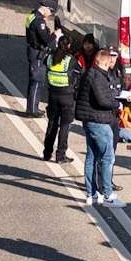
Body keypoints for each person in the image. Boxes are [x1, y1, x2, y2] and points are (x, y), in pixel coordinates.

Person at [78, 48, 125, 207]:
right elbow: (103, 100)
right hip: (99, 121)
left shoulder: (89, 74)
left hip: (89, 120)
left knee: (91, 157)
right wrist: (117, 104)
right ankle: (108, 195)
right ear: (105, 62)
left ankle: (91, 194)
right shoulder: (98, 77)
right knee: (108, 157)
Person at [42, 32, 81, 164]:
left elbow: (44, 62)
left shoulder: (50, 57)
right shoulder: (70, 60)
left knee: (52, 124)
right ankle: (60, 155)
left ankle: (47, 153)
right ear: (68, 45)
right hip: (67, 97)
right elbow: (80, 71)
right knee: (64, 126)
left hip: (53, 95)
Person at [22, 5, 57, 118]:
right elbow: (45, 38)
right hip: (37, 53)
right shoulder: (39, 21)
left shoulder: (32, 16)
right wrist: (54, 35)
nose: (50, 14)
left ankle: (31, 108)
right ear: (45, 8)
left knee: (34, 81)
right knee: (37, 81)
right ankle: (33, 110)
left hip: (33, 50)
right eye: (50, 11)